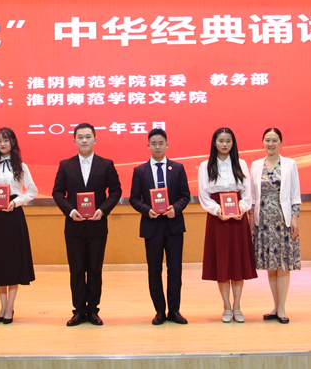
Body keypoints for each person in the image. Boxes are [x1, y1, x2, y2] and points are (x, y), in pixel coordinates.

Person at [52, 123, 122, 326]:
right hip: (73, 226)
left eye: (88, 137)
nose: (84, 140)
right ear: (74, 141)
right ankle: (78, 310)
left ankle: (93, 310)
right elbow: (58, 192)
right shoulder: (65, 165)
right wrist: (70, 211)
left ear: (95, 140)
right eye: (80, 137)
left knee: (94, 269)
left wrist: (103, 210)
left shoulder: (106, 164)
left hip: (97, 226)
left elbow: (116, 191)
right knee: (76, 269)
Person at [129, 128, 191, 325]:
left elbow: (185, 195)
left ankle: (174, 310)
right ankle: (159, 311)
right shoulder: (140, 171)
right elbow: (134, 199)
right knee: (154, 270)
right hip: (152, 226)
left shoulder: (178, 168)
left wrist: (176, 209)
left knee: (175, 270)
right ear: (148, 146)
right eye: (153, 144)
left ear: (167, 145)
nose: (157, 147)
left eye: (161, 143)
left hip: (174, 226)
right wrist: (147, 210)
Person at [0, 127, 37, 325]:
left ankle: (10, 306)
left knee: (12, 262)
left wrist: (15, 202)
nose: (2, 144)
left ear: (13, 143)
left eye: (6, 140)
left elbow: (32, 191)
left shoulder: (21, 166)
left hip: (13, 216)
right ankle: (3, 306)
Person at [197, 127, 257, 324]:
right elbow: (203, 195)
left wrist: (241, 208)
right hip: (218, 220)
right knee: (222, 263)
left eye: (228, 141)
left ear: (233, 143)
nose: (224, 144)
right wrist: (217, 210)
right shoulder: (205, 165)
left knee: (237, 263)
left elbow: (247, 193)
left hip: (238, 220)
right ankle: (226, 306)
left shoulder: (241, 163)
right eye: (221, 141)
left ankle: (237, 307)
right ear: (214, 143)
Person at [250, 127, 301, 325]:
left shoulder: (290, 164)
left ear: (281, 143)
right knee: (271, 266)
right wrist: (251, 222)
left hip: (282, 221)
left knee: (283, 266)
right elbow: (252, 197)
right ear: (262, 142)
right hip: (263, 221)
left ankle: (282, 309)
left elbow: (295, 193)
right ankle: (275, 306)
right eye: (267, 140)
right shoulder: (255, 165)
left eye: (274, 140)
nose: (270, 144)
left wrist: (295, 217)